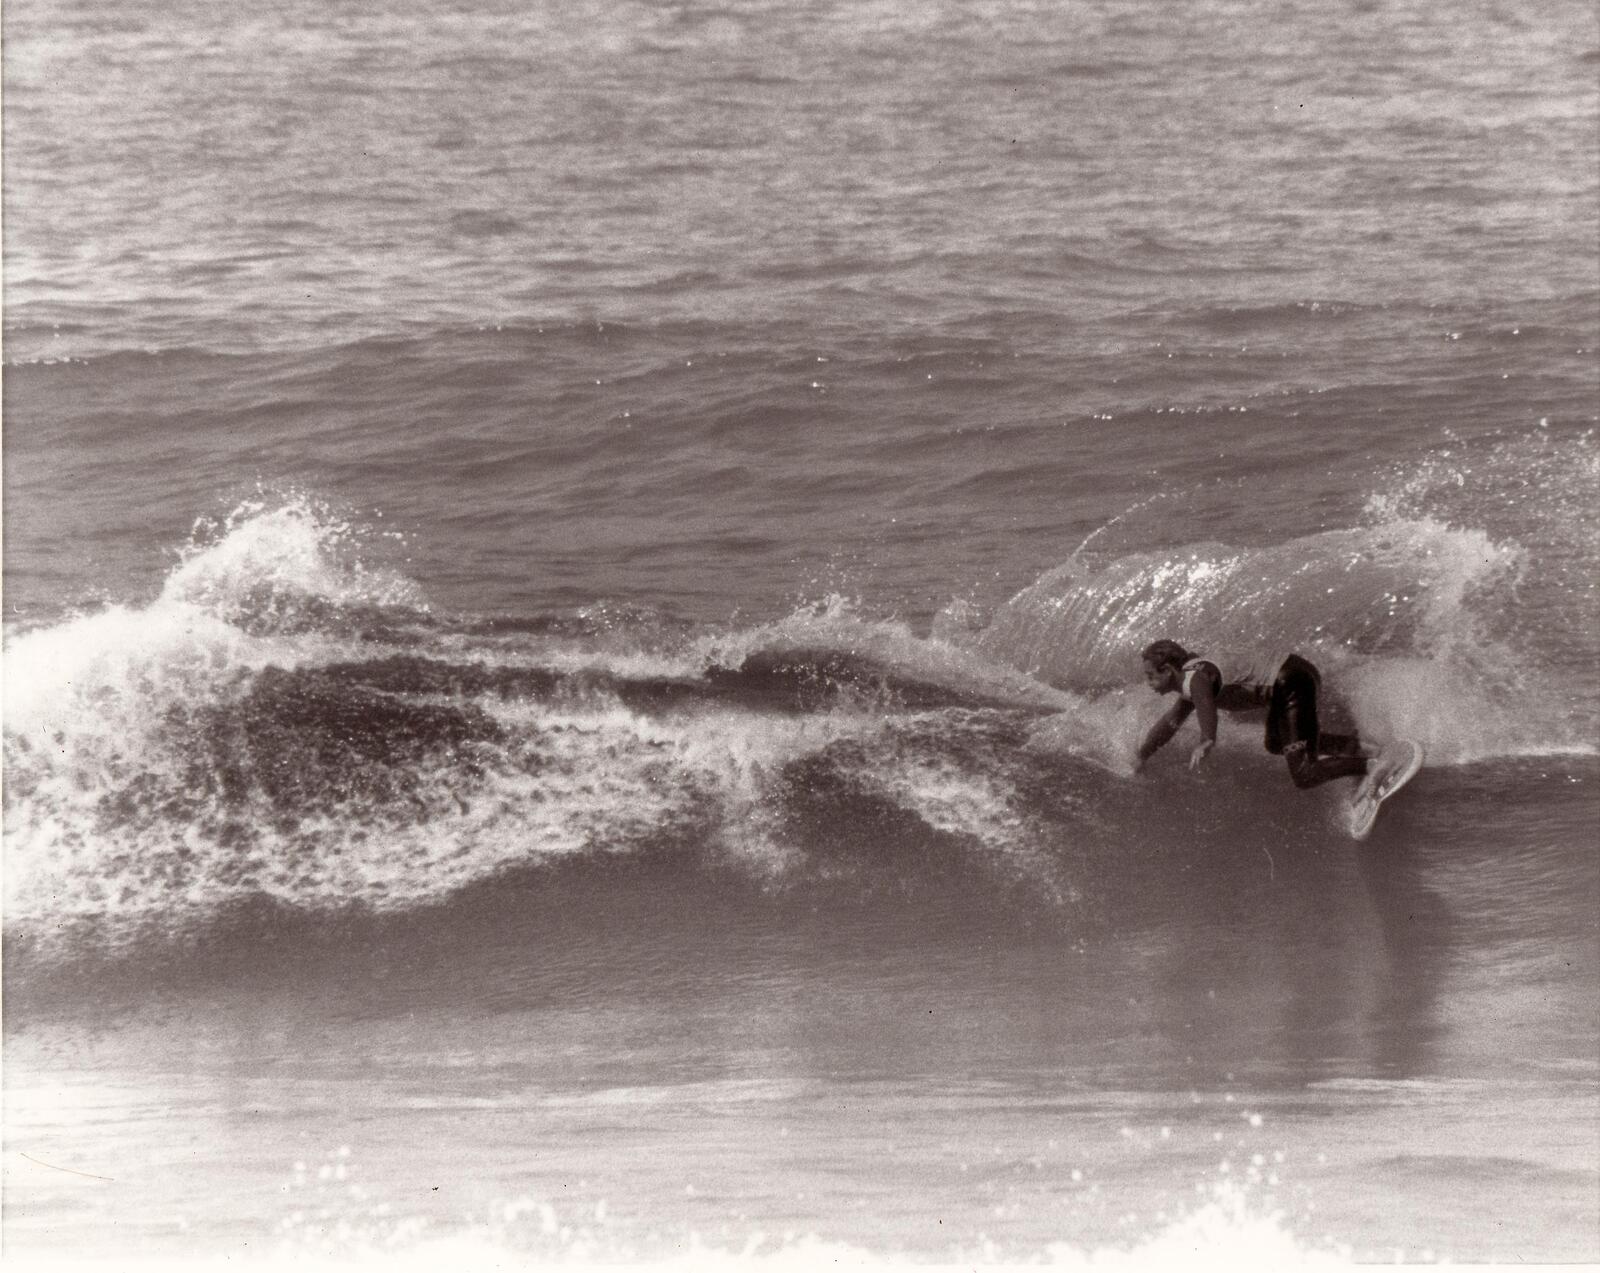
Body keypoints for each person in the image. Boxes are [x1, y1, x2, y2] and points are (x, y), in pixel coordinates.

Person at [1134, 638, 1372, 790]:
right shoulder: (1190, 680)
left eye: (1150, 675)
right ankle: (1352, 747)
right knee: (1276, 743)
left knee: (1304, 775)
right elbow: (1170, 723)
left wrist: (1207, 739)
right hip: (1294, 676)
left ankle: (1373, 765)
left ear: (1167, 670)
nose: (1148, 682)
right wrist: (1142, 755)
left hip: (1291, 682)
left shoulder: (1195, 679)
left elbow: (1204, 701)